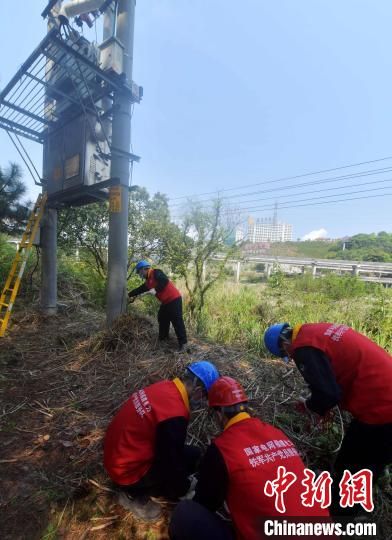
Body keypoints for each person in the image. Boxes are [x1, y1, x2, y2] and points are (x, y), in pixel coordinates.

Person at [170, 377, 329, 540]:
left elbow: (206, 502)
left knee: (185, 514)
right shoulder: (276, 433)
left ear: (219, 414)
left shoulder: (224, 448)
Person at [263, 322, 392, 516]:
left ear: (283, 345)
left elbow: (328, 394)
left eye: (286, 355)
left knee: (358, 463)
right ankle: (344, 499)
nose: (291, 357)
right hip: (382, 393)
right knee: (356, 458)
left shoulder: (303, 349)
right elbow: (332, 376)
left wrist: (310, 407)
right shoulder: (314, 331)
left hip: (382, 406)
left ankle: (342, 515)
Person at [104, 361, 219, 520]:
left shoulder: (165, 386)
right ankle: (132, 494)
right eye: (205, 397)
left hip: (121, 451)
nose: (203, 403)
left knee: (192, 455)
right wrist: (184, 488)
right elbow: (169, 463)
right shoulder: (175, 414)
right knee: (173, 476)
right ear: (199, 391)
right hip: (126, 470)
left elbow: (170, 448)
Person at [129, 260, 188, 351]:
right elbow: (140, 289)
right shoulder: (148, 282)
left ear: (145, 269)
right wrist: (129, 295)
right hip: (166, 302)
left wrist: (155, 290)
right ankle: (163, 338)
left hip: (174, 299)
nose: (139, 274)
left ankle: (184, 345)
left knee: (177, 321)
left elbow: (164, 281)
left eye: (139, 272)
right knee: (162, 317)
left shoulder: (156, 272)